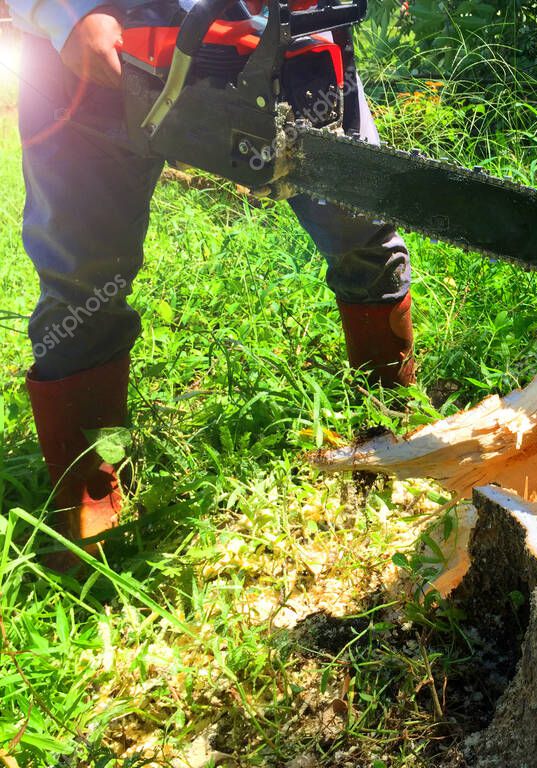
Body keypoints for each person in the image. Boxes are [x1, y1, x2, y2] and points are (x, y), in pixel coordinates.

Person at [9, 0, 415, 555]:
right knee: (83, 277)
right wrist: (64, 12)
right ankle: (93, 487)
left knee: (360, 227)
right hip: (97, 42)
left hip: (280, 30)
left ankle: (389, 418)